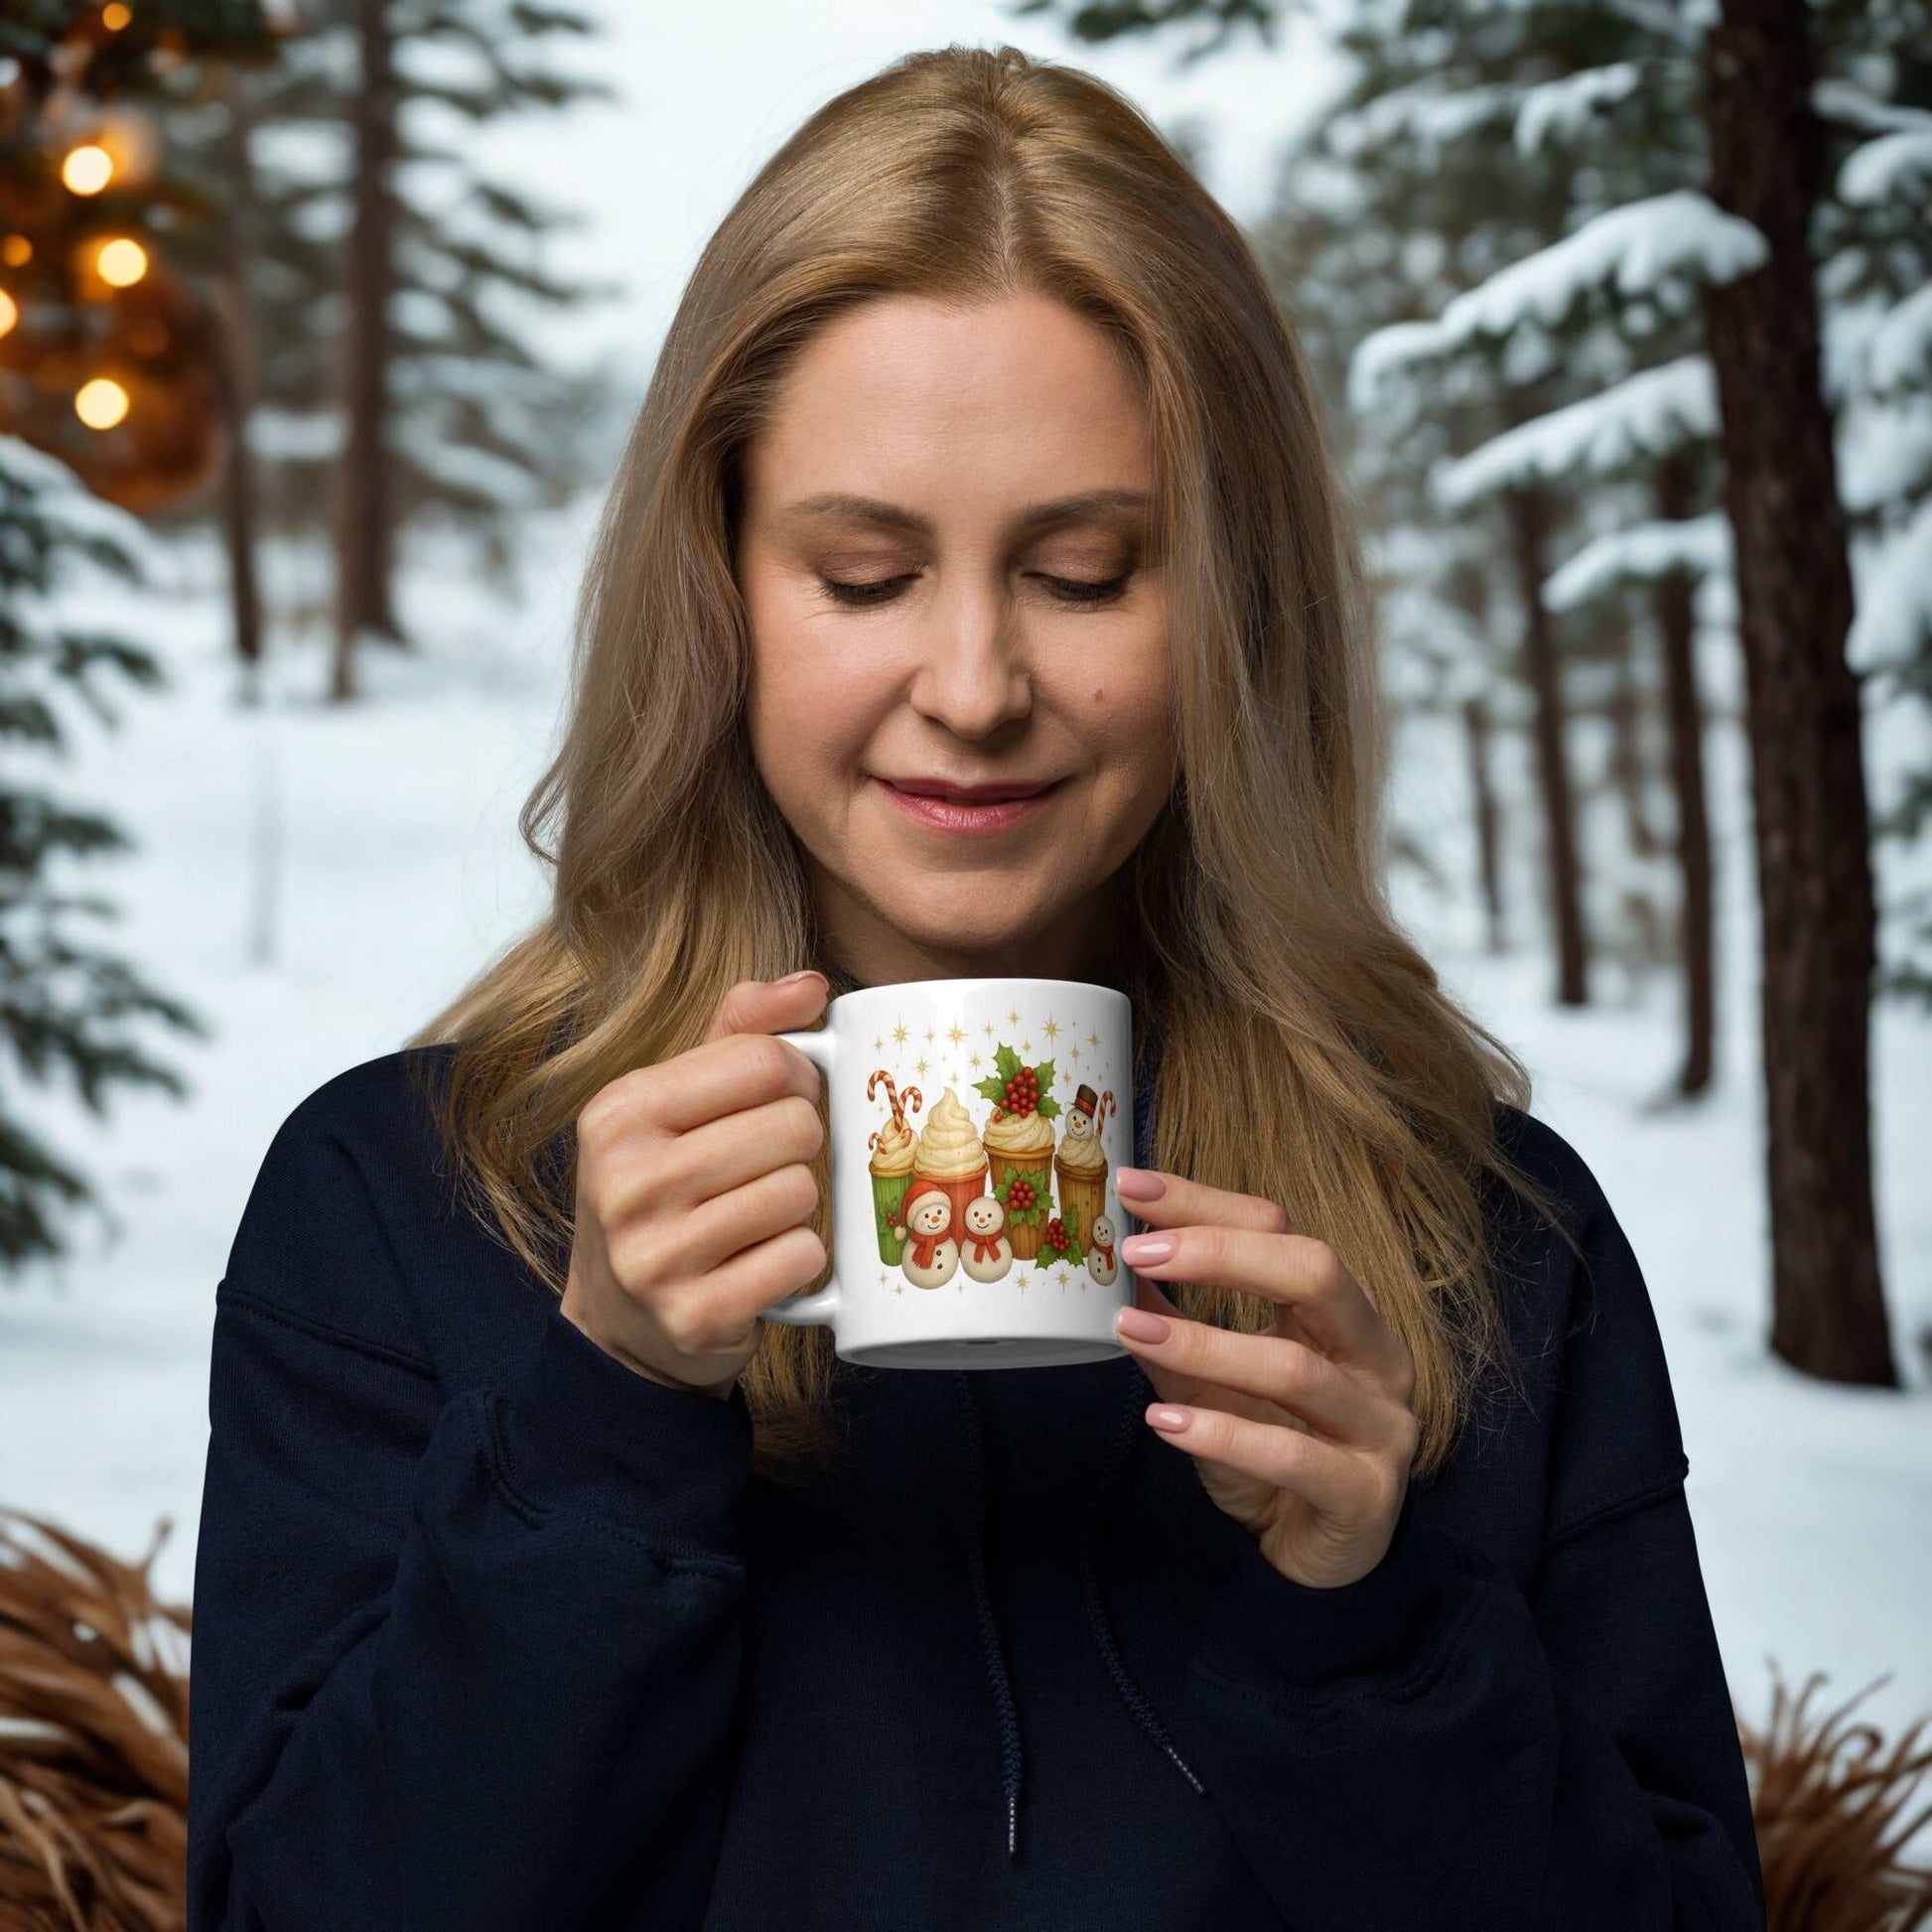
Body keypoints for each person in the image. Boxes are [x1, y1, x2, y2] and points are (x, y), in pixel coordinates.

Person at [185, 42, 1768, 1932]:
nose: (972, 681)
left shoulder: (1488, 1242)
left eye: (1085, 573)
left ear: (1233, 607)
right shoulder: (399, 1209)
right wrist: (600, 1415)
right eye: (862, 575)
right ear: (720, 592)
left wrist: (1375, 1620)